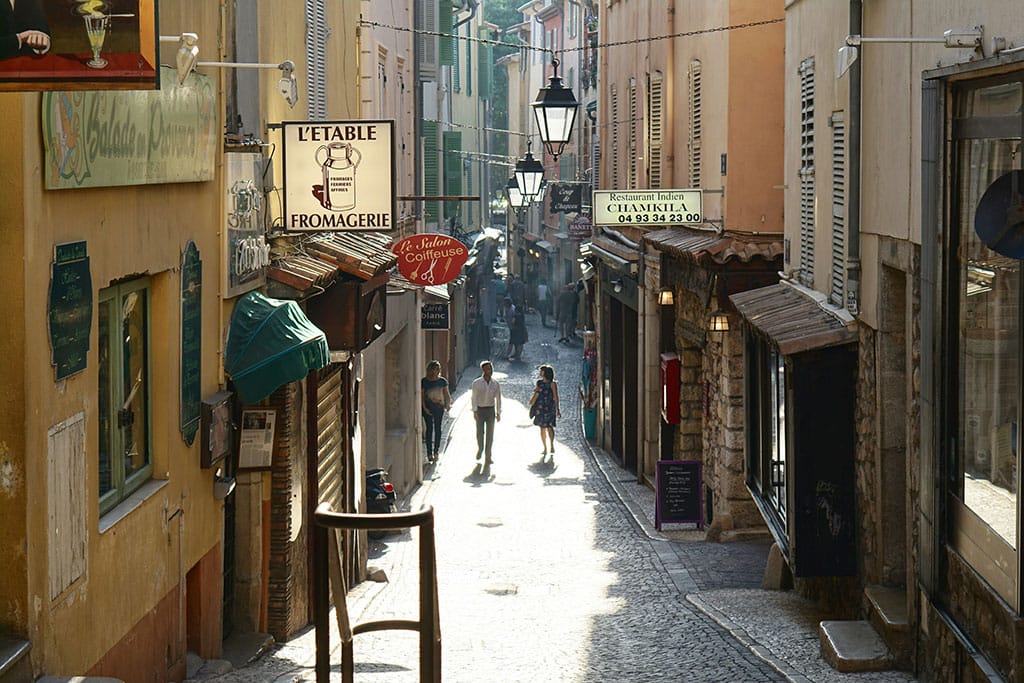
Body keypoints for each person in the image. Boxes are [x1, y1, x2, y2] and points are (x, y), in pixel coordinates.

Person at [470, 360, 502, 466]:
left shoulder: (495, 383)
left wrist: (498, 412)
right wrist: (474, 410)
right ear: (483, 370)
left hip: (490, 410)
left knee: (490, 434)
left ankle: (488, 456)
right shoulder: (477, 383)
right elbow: (473, 398)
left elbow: (498, 398)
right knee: (480, 432)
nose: (490, 370)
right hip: (480, 410)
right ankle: (480, 449)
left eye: (491, 368)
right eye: (488, 368)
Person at [420, 360, 451, 463]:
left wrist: (447, 404)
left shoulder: (442, 381)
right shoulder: (424, 381)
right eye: (434, 369)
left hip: (439, 407)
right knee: (429, 429)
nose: (436, 371)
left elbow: (446, 394)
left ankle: (436, 451)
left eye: (437, 369)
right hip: (428, 407)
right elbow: (422, 396)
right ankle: (429, 453)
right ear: (430, 370)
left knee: (438, 429)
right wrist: (425, 408)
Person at [528, 365, 561, 457]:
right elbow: (537, 393)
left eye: (541, 371)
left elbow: (555, 396)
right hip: (540, 407)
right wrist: (533, 398)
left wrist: (557, 409)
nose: (540, 372)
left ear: (545, 373)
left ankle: (551, 444)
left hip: (550, 407)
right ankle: (545, 447)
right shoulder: (539, 383)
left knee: (549, 427)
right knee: (542, 427)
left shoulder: (552, 384)